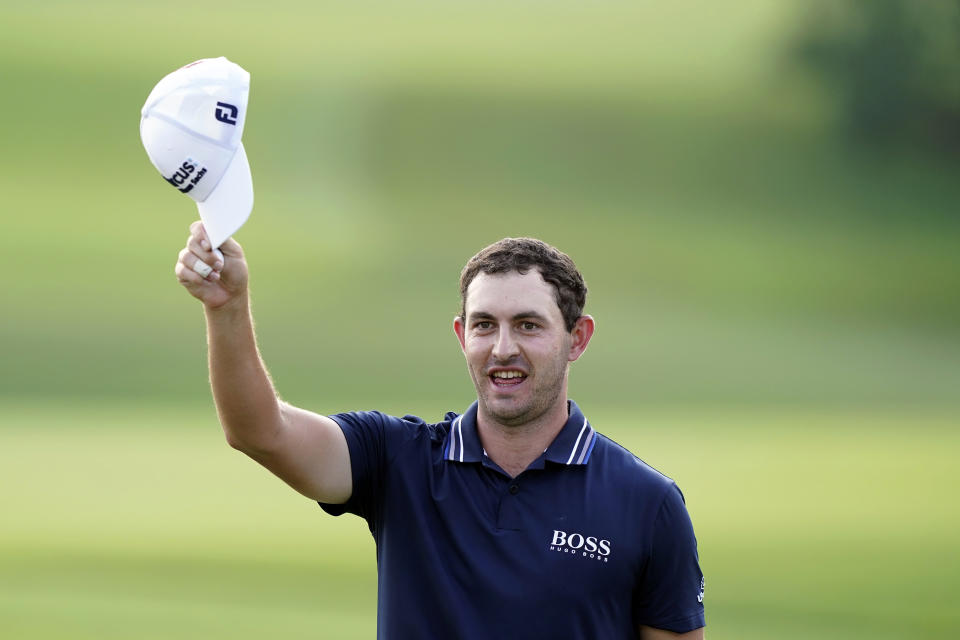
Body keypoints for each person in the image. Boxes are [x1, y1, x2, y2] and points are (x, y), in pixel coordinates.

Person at [175, 224, 706, 639]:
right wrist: (227, 308)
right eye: (484, 325)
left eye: (528, 325)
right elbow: (260, 431)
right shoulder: (398, 461)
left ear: (577, 339)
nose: (502, 349)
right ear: (461, 335)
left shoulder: (646, 503)